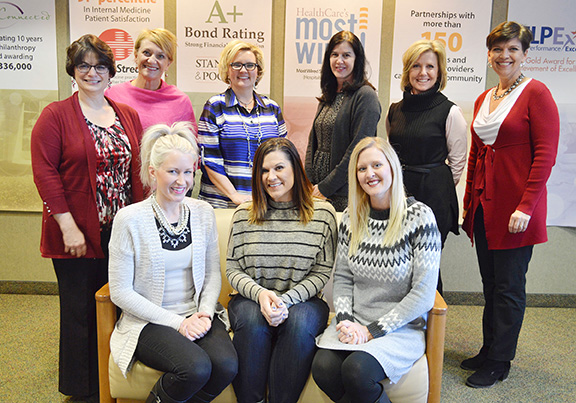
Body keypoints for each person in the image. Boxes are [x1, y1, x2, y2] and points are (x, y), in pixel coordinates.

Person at [30, 34, 144, 400]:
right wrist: (67, 226)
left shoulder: (126, 114)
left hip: (120, 233)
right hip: (76, 235)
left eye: (99, 66)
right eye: (83, 65)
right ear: (73, 70)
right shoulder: (56, 116)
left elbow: (138, 170)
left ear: (111, 71)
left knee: (117, 308)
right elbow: (45, 173)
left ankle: (112, 382)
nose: (91, 72)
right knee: (80, 314)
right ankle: (81, 391)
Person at [460, 21, 559, 388]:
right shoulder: (485, 98)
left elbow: (545, 156)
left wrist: (526, 206)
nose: (504, 55)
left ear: (524, 54)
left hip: (517, 210)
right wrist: (469, 204)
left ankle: (500, 360)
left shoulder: (537, 94)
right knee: (491, 283)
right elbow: (477, 154)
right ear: (489, 54)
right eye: (498, 49)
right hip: (487, 206)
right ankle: (489, 349)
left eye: (513, 49)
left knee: (510, 287)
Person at [108, 122, 238, 403]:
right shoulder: (129, 219)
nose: (182, 181)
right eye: (173, 172)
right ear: (153, 173)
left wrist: (204, 313)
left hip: (196, 315)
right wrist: (178, 323)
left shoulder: (203, 212)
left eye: (188, 172)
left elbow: (213, 274)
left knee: (227, 366)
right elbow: (119, 292)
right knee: (195, 368)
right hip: (148, 321)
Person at [312, 137, 441, 403]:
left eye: (376, 165)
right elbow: (344, 277)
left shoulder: (420, 217)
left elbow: (424, 293)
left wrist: (372, 331)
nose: (369, 174)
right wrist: (346, 321)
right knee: (322, 368)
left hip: (400, 327)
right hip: (354, 320)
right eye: (362, 169)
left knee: (357, 371)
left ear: (392, 167)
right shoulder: (351, 217)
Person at [226, 137, 338, 403]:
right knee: (253, 322)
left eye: (279, 168)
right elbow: (233, 268)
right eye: (264, 170)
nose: (270, 176)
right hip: (249, 300)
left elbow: (321, 272)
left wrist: (284, 301)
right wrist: (261, 295)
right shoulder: (244, 214)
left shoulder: (323, 214)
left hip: (305, 302)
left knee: (298, 324)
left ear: (295, 170)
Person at [386, 39, 467, 293]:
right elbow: (393, 151)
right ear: (407, 72)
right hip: (400, 195)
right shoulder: (395, 110)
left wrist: (434, 184)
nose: (423, 73)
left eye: (430, 67)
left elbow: (457, 163)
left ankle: (433, 326)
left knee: (428, 264)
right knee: (398, 262)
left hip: (434, 196)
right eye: (416, 66)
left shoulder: (450, 111)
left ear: (439, 72)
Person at [198, 40, 287, 208]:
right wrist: (235, 196)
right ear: (227, 70)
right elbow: (209, 160)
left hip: (264, 204)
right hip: (222, 205)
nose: (243, 70)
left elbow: (284, 158)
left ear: (258, 70)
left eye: (250, 65)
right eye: (236, 65)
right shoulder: (215, 106)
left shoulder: (272, 108)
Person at [305, 30, 381, 212]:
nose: (339, 61)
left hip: (344, 194)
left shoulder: (365, 96)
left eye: (346, 55)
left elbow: (358, 150)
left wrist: (326, 187)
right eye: (334, 55)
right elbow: (313, 142)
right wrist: (309, 180)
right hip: (317, 191)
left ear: (357, 59)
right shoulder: (329, 95)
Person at [106, 28, 197, 131]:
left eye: (160, 56)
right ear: (136, 56)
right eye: (146, 53)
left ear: (168, 64)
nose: (152, 60)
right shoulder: (113, 95)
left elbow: (187, 145)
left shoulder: (180, 102)